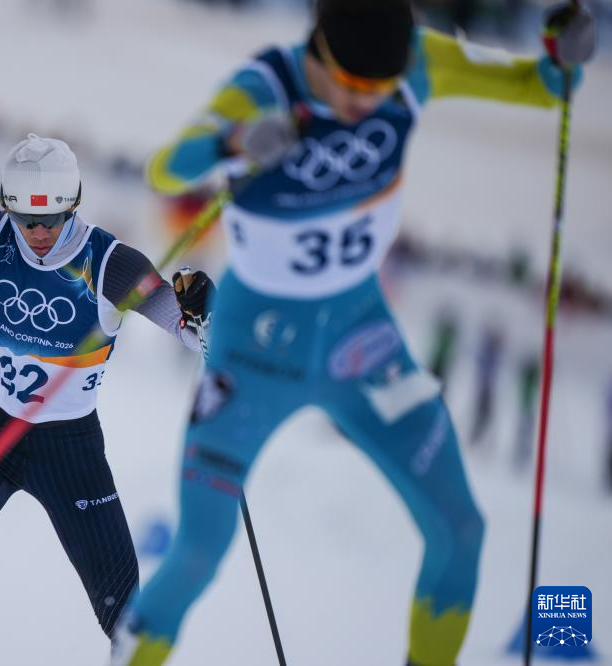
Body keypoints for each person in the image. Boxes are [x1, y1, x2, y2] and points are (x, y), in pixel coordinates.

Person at [112, 1, 595, 665]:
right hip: (253, 351)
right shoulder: (265, 85)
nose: (364, 102)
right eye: (349, 84)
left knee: (461, 529)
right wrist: (234, 143)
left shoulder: (419, 62)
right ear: (318, 45)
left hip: (360, 342)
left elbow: (542, 87)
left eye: (380, 88)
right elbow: (167, 169)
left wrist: (564, 55)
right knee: (198, 552)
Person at [0, 108, 215, 666]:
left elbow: (196, 336)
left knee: (127, 616)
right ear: (8, 206)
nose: (39, 233)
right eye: (26, 219)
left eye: (51, 219)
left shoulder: (111, 264)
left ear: (74, 204)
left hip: (68, 448)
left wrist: (205, 308)